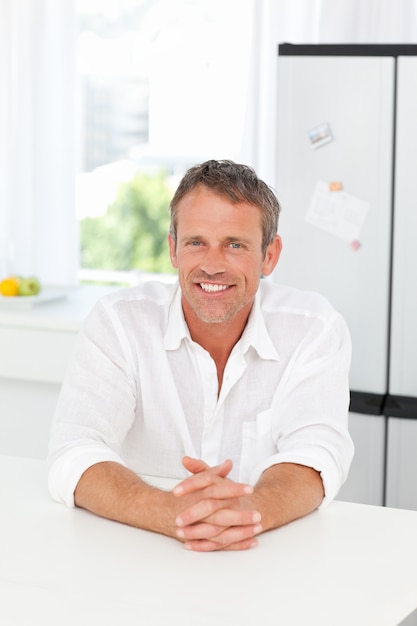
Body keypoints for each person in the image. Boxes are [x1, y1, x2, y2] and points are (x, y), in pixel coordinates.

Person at [48, 159, 354, 552]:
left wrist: (248, 511)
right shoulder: (119, 322)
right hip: (135, 554)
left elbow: (317, 451)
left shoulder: (314, 327)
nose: (212, 265)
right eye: (196, 242)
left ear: (269, 256)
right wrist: (168, 512)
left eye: (235, 245)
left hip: (268, 562)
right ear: (173, 248)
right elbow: (74, 450)